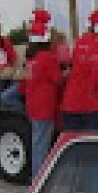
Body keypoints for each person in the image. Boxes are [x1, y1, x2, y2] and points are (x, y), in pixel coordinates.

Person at [20, 10, 63, 176]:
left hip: (33, 104)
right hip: (45, 105)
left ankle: (35, 175)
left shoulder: (32, 57)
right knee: (41, 144)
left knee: (37, 142)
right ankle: (38, 178)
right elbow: (57, 79)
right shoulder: (48, 57)